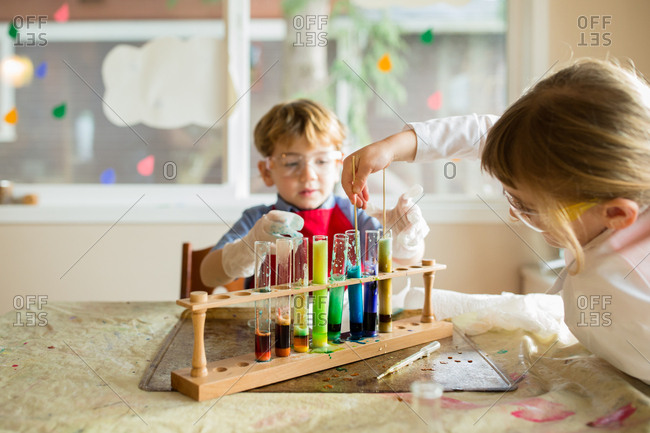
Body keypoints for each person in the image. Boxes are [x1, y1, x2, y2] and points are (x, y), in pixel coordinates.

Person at [341, 59, 650, 385]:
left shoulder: (632, 295)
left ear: (616, 214)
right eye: (511, 196)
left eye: (528, 206)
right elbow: (484, 133)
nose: (514, 214)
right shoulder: (599, 185)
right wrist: (393, 147)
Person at [201, 99, 426, 289]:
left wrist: (404, 239)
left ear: (339, 166)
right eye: (291, 162)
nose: (308, 175)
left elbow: (403, 261)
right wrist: (250, 245)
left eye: (321, 161)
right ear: (266, 171)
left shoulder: (355, 216)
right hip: (271, 337)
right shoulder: (258, 221)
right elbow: (208, 275)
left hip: (344, 334)